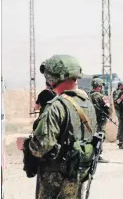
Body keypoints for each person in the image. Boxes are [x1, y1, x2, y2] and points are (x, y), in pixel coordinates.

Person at [16, 55, 97, 198]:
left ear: (52, 79)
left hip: (56, 178)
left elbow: (41, 147)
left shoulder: (56, 107)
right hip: (77, 174)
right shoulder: (87, 104)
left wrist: (25, 144)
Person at [89, 78, 111, 163]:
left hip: (90, 121)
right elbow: (108, 109)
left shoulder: (87, 95)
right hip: (100, 121)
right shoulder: (102, 97)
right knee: (100, 137)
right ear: (99, 87)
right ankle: (99, 156)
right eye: (101, 86)